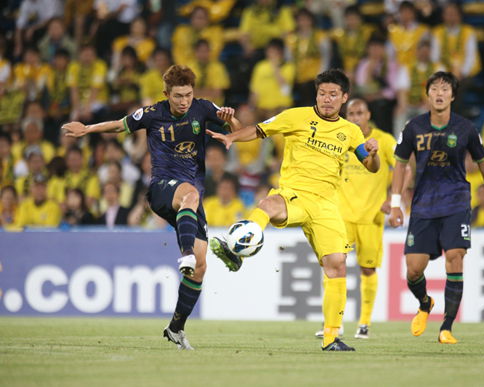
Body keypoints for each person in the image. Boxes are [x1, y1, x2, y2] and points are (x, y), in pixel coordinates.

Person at [62, 64, 241, 350]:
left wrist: (230, 121)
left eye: (188, 95)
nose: (184, 101)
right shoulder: (152, 113)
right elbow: (120, 125)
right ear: (166, 94)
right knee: (191, 201)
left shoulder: (204, 108)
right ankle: (184, 255)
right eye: (178, 96)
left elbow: (237, 130)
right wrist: (87, 129)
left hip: (189, 199)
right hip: (162, 189)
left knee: (201, 267)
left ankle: (175, 328)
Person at [207, 69, 380, 351]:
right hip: (295, 194)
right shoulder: (295, 116)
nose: (327, 99)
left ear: (344, 98)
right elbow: (260, 129)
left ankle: (331, 337)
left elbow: (371, 167)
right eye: (322, 93)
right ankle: (233, 249)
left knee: (336, 265)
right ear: (316, 94)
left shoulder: (350, 131)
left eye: (333, 94)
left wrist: (372, 153)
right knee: (269, 204)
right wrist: (232, 138)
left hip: (326, 205)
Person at [389, 71, 484, 344]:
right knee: (413, 270)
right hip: (423, 206)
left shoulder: (465, 128)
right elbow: (401, 164)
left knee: (455, 256)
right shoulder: (413, 127)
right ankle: (425, 302)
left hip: (455, 202)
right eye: (434, 89)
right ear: (427, 94)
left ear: (453, 96)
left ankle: (447, 327)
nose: (439, 93)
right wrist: (396, 203)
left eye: (445, 89)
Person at [334, 98, 397, 339]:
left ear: (368, 114)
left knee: (367, 269)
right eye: (351, 114)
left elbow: (404, 167)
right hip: (341, 215)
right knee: (335, 266)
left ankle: (364, 323)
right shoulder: (340, 137)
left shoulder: (384, 140)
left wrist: (394, 197)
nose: (355, 118)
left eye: (359, 113)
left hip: (371, 217)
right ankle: (334, 322)